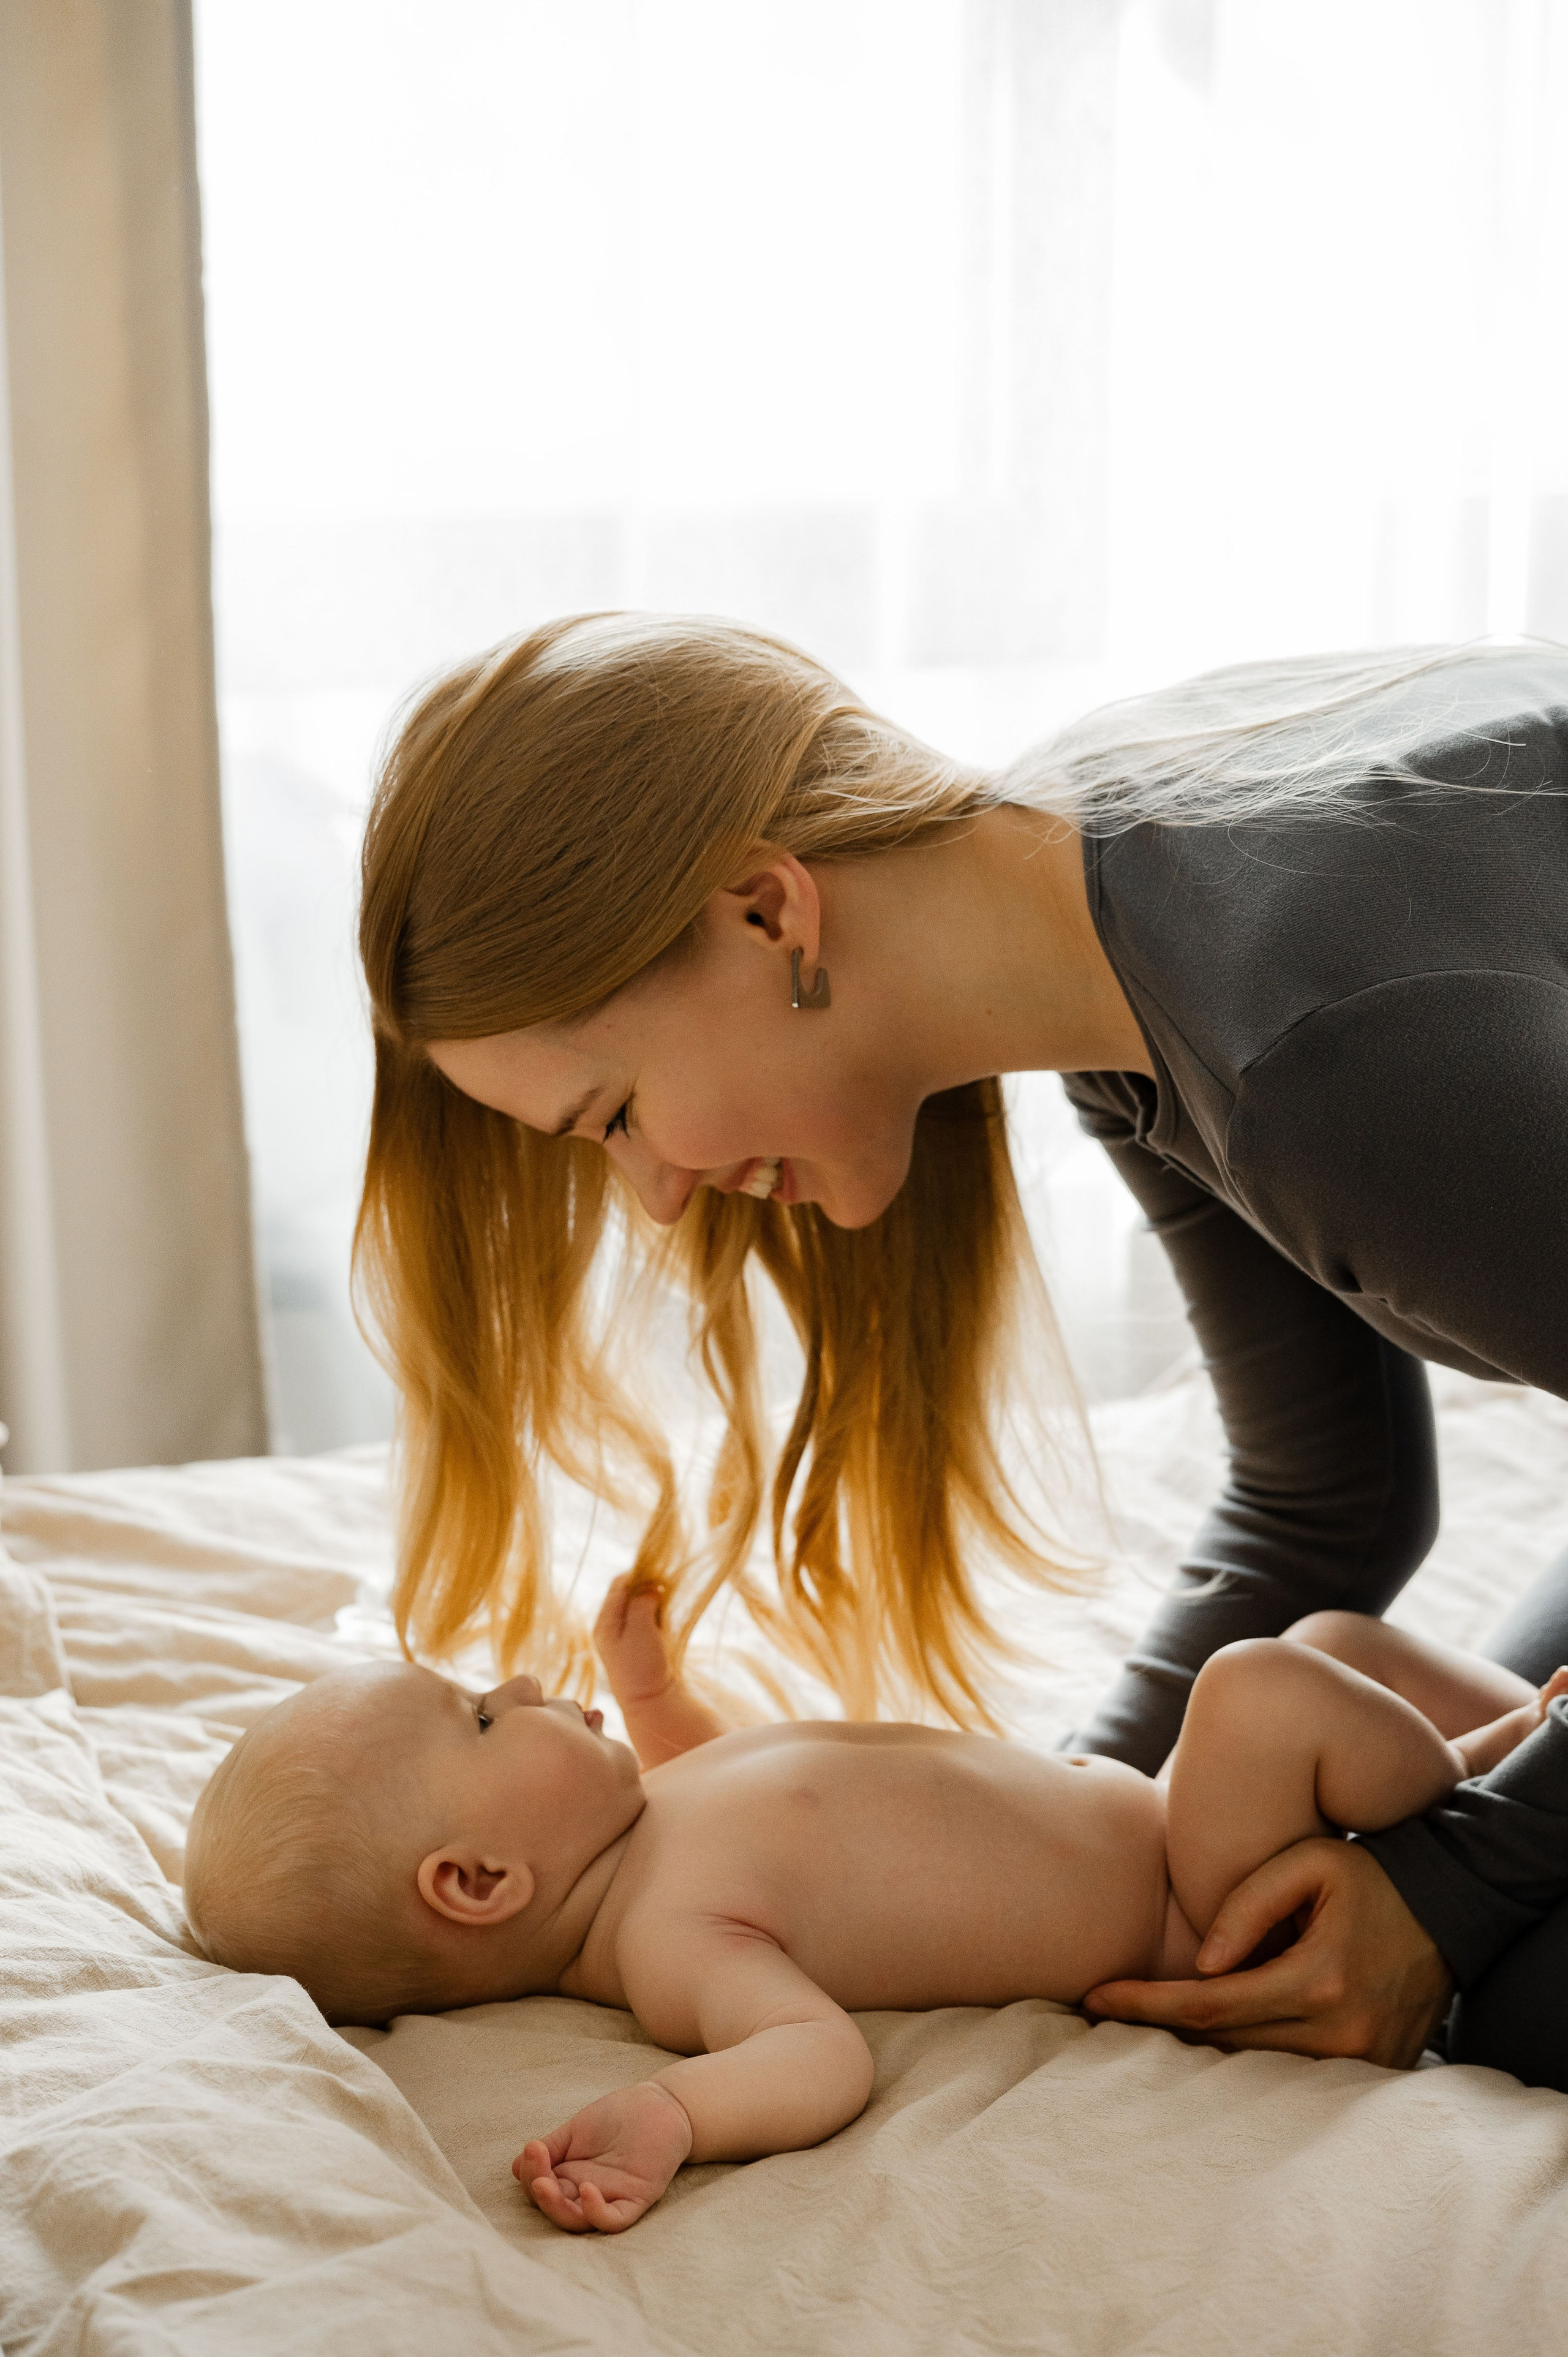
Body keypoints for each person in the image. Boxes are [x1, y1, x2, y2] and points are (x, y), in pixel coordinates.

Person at [354, 614, 1568, 2089]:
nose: (655, 1191)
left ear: (762, 911)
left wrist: (1462, 1891)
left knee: (1512, 1991)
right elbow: (1327, 1499)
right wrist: (1069, 1827)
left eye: (609, 1114)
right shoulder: (1117, 951)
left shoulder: (1312, 1059)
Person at [183, 1578, 1567, 2234]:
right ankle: (1479, 1778)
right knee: (1260, 1684)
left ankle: (1518, 1736)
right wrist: (671, 2117)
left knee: (1326, 1643)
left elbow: (742, 1779)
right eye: (487, 1716)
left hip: (1170, 1827)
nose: (528, 1686)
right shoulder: (670, 1946)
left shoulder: (646, 1819)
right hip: (1204, 1911)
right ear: (479, 1884)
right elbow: (812, 2055)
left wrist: (657, 1694)